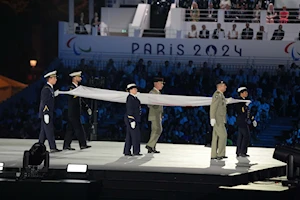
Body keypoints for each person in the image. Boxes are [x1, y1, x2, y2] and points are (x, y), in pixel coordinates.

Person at [63, 71, 92, 150]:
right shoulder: (71, 88)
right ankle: (82, 144)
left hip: (75, 113)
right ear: (74, 78)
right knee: (79, 128)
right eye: (79, 77)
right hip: (73, 113)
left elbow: (80, 100)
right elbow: (75, 99)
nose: (80, 78)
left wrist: (86, 107)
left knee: (70, 129)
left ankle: (66, 145)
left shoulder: (76, 88)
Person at [38, 70, 61, 153]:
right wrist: (46, 113)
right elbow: (44, 102)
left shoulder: (49, 89)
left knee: (43, 132)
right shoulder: (46, 89)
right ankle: (52, 147)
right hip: (46, 113)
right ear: (50, 79)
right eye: (54, 78)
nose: (56, 79)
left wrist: (54, 94)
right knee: (49, 130)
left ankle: (39, 146)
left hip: (48, 113)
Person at [210, 80, 231, 160]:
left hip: (219, 119)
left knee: (215, 137)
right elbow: (213, 107)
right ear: (220, 86)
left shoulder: (221, 95)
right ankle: (220, 154)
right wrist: (212, 118)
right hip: (218, 119)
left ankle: (214, 155)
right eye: (224, 85)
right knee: (223, 136)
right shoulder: (217, 95)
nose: (225, 87)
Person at [235, 87, 257, 157]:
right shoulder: (239, 101)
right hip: (241, 121)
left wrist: (253, 119)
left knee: (241, 137)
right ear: (241, 93)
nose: (246, 93)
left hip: (244, 121)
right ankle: (242, 151)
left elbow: (248, 112)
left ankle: (239, 152)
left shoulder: (244, 101)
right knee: (246, 136)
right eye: (245, 92)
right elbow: (240, 111)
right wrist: (245, 106)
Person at [146, 77, 165, 153]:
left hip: (157, 115)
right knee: (157, 130)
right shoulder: (152, 92)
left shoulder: (158, 92)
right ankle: (150, 145)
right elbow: (149, 104)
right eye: (161, 83)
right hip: (154, 115)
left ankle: (152, 146)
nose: (162, 85)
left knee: (155, 130)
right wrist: (157, 105)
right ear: (156, 83)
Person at [123, 83, 143, 156]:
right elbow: (129, 109)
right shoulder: (130, 98)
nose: (136, 90)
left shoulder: (134, 98)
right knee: (135, 136)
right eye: (134, 89)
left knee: (129, 136)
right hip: (131, 119)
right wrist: (131, 120)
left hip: (133, 118)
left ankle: (127, 151)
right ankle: (136, 151)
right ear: (130, 90)